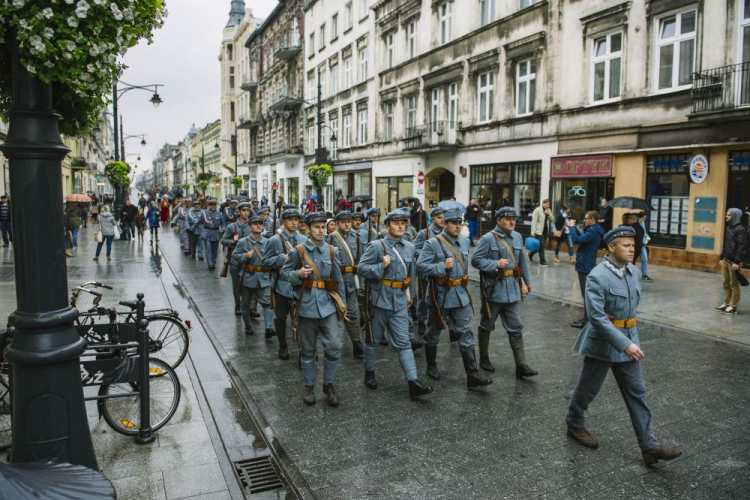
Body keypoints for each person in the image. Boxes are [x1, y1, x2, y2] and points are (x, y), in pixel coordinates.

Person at [566, 226, 682, 467]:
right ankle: (574, 422)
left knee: (637, 393)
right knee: (588, 388)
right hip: (603, 343)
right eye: (626, 245)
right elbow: (596, 317)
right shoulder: (598, 275)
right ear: (611, 248)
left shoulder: (632, 271)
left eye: (633, 245)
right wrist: (624, 344)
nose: (632, 249)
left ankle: (649, 446)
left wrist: (630, 340)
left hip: (629, 338)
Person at [358, 209, 434, 400]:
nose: (401, 226)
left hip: (400, 301)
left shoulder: (409, 247)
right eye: (396, 223)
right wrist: (380, 266)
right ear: (387, 226)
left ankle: (413, 382)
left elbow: (411, 274)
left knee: (404, 343)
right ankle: (369, 372)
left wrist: (411, 295)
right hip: (378, 300)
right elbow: (361, 269)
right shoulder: (377, 246)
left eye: (403, 223)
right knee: (373, 340)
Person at [417, 208, 493, 389]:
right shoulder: (432, 243)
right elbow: (420, 266)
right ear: (444, 223)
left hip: (460, 295)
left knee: (466, 332)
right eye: (453, 223)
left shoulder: (465, 242)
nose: (458, 226)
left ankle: (473, 375)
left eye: (460, 223)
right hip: (440, 296)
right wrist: (441, 266)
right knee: (432, 333)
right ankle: (431, 364)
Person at [282, 212, 345, 406]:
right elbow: (285, 273)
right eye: (316, 227)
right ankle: (309, 386)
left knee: (334, 346)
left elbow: (338, 280)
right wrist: (298, 274)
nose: (321, 231)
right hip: (306, 306)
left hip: (328, 307)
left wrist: (342, 305)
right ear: (307, 228)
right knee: (308, 350)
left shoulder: (332, 251)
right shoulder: (298, 252)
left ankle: (328, 384)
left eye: (323, 227)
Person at [471, 207, 537, 378]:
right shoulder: (487, 239)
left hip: (513, 291)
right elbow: (476, 260)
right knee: (486, 325)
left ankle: (521, 365)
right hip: (493, 291)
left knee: (516, 327)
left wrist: (527, 282)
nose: (512, 222)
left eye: (514, 219)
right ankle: (484, 359)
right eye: (508, 219)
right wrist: (494, 264)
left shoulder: (516, 237)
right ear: (498, 220)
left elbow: (522, 260)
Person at [262, 208, 307, 360]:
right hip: (281, 285)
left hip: (299, 284)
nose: (294, 223)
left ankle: (305, 350)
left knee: (302, 318)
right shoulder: (275, 240)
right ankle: (282, 346)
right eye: (290, 220)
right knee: (281, 318)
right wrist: (282, 258)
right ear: (284, 221)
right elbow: (265, 261)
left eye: (296, 220)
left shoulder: (303, 239)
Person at [328, 210, 365, 359]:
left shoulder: (356, 239)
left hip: (350, 283)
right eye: (343, 222)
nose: (347, 224)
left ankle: (357, 344)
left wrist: (360, 285)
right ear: (336, 224)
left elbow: (361, 263)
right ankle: (332, 345)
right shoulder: (330, 240)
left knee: (352, 314)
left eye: (349, 221)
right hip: (335, 284)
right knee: (332, 315)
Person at [233, 215, 275, 337]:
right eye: (255, 224)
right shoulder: (243, 242)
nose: (258, 226)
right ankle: (247, 326)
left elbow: (272, 257)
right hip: (248, 277)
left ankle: (268, 328)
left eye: (260, 224)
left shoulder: (268, 242)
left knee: (267, 303)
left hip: (263, 277)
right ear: (250, 227)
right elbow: (235, 256)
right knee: (245, 304)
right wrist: (245, 256)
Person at [413, 207, 446, 340]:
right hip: (427, 272)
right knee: (423, 299)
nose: (442, 220)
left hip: (441, 272)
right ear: (433, 219)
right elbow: (414, 248)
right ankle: (421, 320)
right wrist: (426, 256)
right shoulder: (424, 233)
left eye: (443, 217)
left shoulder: (446, 233)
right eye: (439, 217)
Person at [570, 211, 605, 328]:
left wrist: (572, 228)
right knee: (586, 293)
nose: (584, 221)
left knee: (586, 294)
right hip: (586, 263)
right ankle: (586, 318)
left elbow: (576, 240)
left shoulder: (593, 231)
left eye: (586, 219)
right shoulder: (593, 230)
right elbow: (582, 238)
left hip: (586, 265)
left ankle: (587, 320)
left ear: (592, 220)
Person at [222, 202, 253, 315]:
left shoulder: (252, 225)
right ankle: (238, 305)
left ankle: (248, 307)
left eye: (248, 211)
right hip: (235, 260)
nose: (246, 213)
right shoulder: (232, 226)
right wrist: (232, 241)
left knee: (249, 284)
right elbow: (223, 240)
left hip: (249, 260)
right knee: (236, 285)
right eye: (243, 210)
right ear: (239, 212)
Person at [717, 208, 748, 314]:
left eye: (729, 215)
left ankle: (733, 305)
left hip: (734, 261)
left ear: (735, 216)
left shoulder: (741, 229)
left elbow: (742, 247)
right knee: (725, 283)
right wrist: (722, 257)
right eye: (726, 214)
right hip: (726, 259)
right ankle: (726, 302)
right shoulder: (729, 227)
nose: (726, 216)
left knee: (733, 284)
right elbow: (726, 244)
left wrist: (737, 261)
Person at [193, 199, 224, 271]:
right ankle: (210, 264)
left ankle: (213, 262)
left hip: (216, 233)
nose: (213, 207)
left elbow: (222, 223)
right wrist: (191, 229)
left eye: (215, 205)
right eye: (212, 205)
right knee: (208, 249)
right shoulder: (204, 213)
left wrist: (223, 229)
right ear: (209, 206)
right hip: (207, 233)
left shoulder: (219, 213)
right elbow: (197, 222)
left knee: (215, 250)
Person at [529, 199, 553, 265]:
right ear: (543, 203)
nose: (548, 206)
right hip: (538, 231)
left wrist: (548, 214)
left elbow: (553, 219)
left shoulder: (548, 210)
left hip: (545, 230)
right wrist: (533, 231)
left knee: (539, 246)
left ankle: (530, 254)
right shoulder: (537, 210)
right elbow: (534, 221)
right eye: (547, 204)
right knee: (542, 246)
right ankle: (542, 261)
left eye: (549, 204)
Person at [638, 212, 652, 282]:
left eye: (645, 218)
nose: (645, 219)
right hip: (637, 244)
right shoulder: (637, 224)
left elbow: (644, 232)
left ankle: (644, 275)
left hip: (643, 244)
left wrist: (647, 237)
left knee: (644, 259)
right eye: (644, 218)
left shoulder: (643, 223)